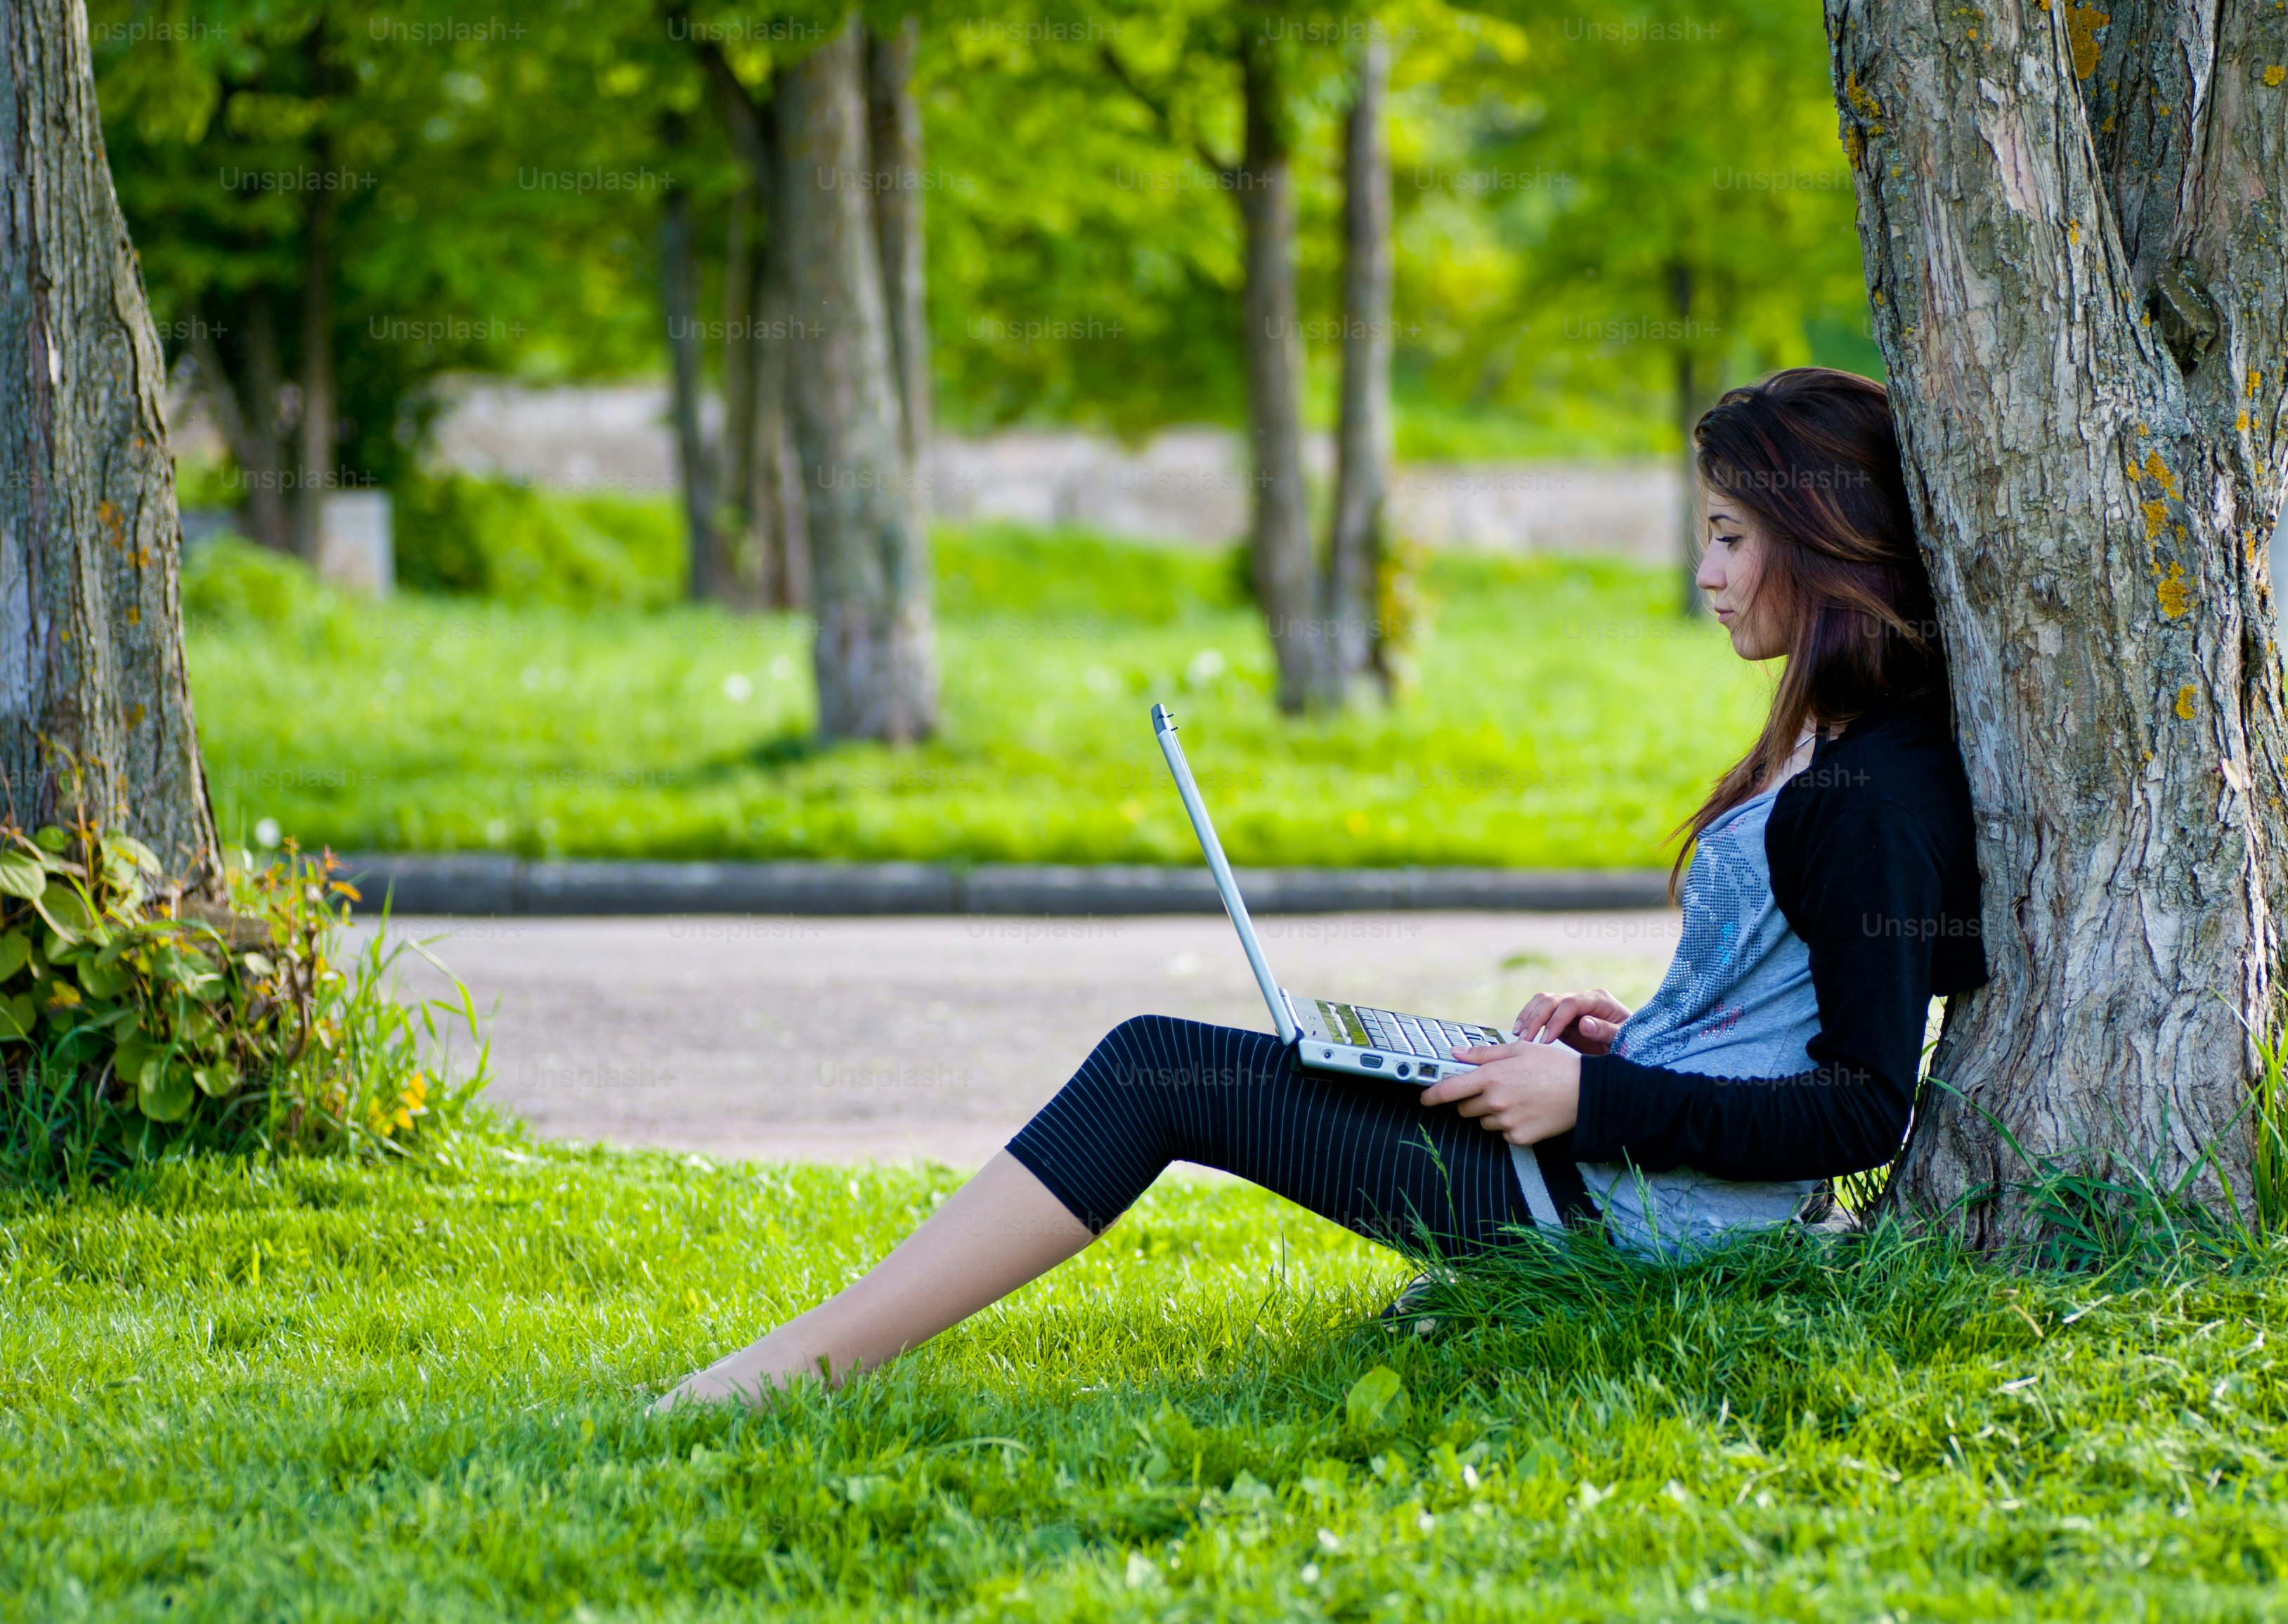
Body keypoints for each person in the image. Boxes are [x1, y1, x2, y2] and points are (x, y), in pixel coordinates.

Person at [654, 366, 1985, 1409]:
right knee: (1217, 1062)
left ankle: (787, 1376)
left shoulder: (1867, 797)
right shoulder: (1831, 744)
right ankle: (795, 1363)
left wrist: (1594, 1097)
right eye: (1709, 533)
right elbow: (1778, 1016)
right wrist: (1620, 1038)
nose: (1706, 573)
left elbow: (1864, 1107)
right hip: (1617, 1158)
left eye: (1733, 538)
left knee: (1155, 1073)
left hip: (1627, 1209)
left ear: (1827, 543)